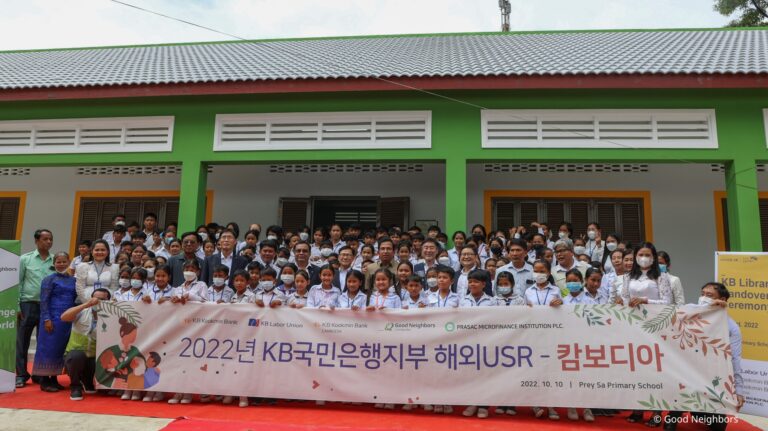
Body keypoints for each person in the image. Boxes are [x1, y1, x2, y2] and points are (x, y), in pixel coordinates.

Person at [663, 282, 745, 431]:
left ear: (723, 300)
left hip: (711, 375)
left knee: (718, 425)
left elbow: (735, 359)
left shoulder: (732, 328)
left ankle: (699, 412)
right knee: (678, 398)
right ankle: (673, 417)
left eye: (710, 295)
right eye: (703, 294)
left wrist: (738, 390)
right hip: (686, 370)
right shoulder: (691, 312)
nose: (704, 298)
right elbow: (672, 314)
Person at [622, 242, 672, 427]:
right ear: (635, 257)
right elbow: (624, 297)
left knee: (655, 370)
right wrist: (626, 302)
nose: (644, 257)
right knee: (636, 369)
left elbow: (667, 301)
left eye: (648, 254)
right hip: (633, 326)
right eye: (640, 254)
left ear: (653, 257)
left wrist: (645, 300)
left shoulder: (662, 276)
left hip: (655, 327)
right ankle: (638, 409)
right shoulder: (628, 276)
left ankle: (657, 412)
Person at [33, 252, 77, 392]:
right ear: (54, 263)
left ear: (69, 262)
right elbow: (44, 301)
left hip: (66, 321)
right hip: (51, 319)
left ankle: (54, 378)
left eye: (64, 261)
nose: (61, 264)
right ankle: (44, 380)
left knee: (59, 350)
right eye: (58, 262)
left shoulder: (73, 280)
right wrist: (46, 319)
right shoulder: (48, 279)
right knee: (47, 349)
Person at [16, 229, 54, 388]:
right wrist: (17, 305)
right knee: (22, 341)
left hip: (48, 306)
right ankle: (22, 375)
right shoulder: (25, 259)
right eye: (45, 239)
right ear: (37, 241)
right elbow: (18, 282)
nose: (49, 242)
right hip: (28, 304)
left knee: (43, 342)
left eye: (51, 239)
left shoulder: (55, 260)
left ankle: (39, 374)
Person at [62, 288, 112, 401]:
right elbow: (64, 317)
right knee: (76, 356)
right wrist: (85, 305)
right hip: (76, 354)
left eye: (102, 299)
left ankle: (88, 381)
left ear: (108, 301)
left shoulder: (112, 317)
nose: (97, 301)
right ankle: (75, 386)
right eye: (95, 298)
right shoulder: (82, 311)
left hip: (95, 357)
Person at [460, 269, 496, 419]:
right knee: (470, 375)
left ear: (483, 284)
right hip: (467, 343)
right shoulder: (462, 301)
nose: (472, 284)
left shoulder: (493, 302)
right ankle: (472, 402)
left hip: (486, 342)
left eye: (475, 281)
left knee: (485, 375)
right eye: (470, 281)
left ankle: (484, 405)